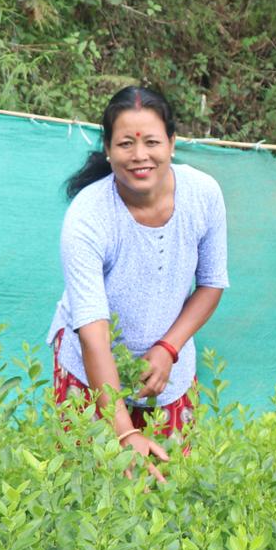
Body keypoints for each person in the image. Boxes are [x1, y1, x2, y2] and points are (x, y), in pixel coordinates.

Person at [47, 84, 228, 481]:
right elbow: (93, 334)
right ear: (108, 149)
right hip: (90, 372)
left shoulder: (203, 195)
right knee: (93, 488)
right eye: (126, 143)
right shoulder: (88, 218)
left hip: (169, 371)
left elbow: (212, 284)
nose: (140, 155)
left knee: (167, 485)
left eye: (151, 141)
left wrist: (167, 349)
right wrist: (124, 432)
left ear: (173, 143)